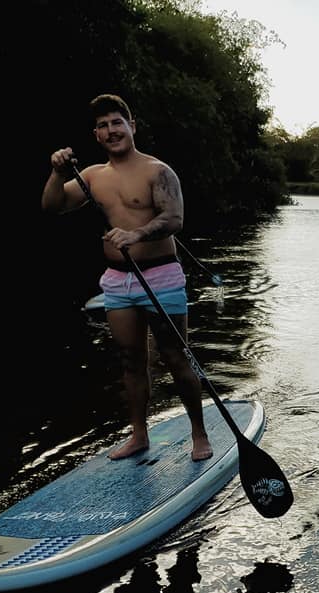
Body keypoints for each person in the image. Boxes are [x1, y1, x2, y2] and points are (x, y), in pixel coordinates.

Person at [41, 93, 212, 462]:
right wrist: (57, 172)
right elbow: (52, 206)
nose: (111, 130)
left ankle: (199, 434)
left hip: (161, 276)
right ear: (96, 135)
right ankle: (139, 435)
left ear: (131, 126)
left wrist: (136, 235)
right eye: (103, 126)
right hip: (118, 281)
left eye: (117, 122)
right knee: (131, 360)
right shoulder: (91, 176)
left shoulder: (157, 171)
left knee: (175, 356)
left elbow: (174, 218)